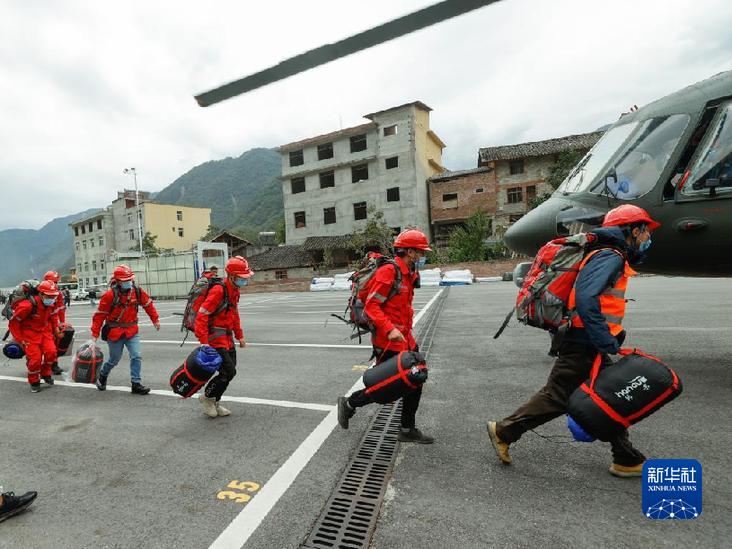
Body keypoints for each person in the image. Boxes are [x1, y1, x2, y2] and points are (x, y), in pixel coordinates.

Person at [487, 205, 661, 477]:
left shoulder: (605, 253)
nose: (648, 237)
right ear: (633, 230)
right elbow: (586, 297)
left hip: (586, 339)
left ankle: (625, 458)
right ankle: (504, 431)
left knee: (608, 397)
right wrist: (604, 339)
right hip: (584, 341)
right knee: (558, 396)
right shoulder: (610, 255)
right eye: (646, 231)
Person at [337, 229, 434, 444]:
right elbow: (372, 306)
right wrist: (390, 329)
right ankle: (349, 404)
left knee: (415, 379)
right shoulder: (389, 272)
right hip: (388, 340)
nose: (422, 256)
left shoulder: (409, 273)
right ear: (409, 252)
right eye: (420, 252)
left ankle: (407, 429)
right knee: (388, 386)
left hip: (405, 339)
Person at [194, 256, 253, 418]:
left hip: (227, 339)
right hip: (215, 339)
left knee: (229, 373)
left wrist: (239, 335)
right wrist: (204, 342)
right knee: (228, 371)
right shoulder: (219, 290)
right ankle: (207, 398)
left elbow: (234, 314)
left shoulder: (234, 290)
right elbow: (202, 315)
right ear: (232, 276)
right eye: (242, 277)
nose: (245, 280)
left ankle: (215, 401)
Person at [90, 265, 160, 395]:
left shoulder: (137, 291)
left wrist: (155, 320)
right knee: (114, 360)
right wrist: (94, 335)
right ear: (118, 281)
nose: (129, 282)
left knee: (136, 355)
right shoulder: (110, 295)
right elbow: (99, 316)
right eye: (125, 280)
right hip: (115, 333)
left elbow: (148, 305)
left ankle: (136, 383)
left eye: (130, 279)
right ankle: (103, 375)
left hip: (132, 331)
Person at [7, 280, 61, 392]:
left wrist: (56, 328)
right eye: (49, 296)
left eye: (54, 296)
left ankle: (45, 373)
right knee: (35, 359)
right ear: (41, 294)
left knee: (51, 353)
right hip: (29, 335)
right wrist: (20, 340)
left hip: (45, 332)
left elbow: (53, 316)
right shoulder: (27, 306)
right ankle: (34, 381)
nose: (52, 298)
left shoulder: (50, 303)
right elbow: (14, 323)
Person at [43, 271, 66, 375]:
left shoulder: (58, 294)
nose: (55, 284)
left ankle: (54, 364)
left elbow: (60, 309)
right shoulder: (40, 292)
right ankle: (32, 361)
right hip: (39, 323)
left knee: (53, 344)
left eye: (56, 282)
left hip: (51, 321)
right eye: (54, 282)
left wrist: (62, 323)